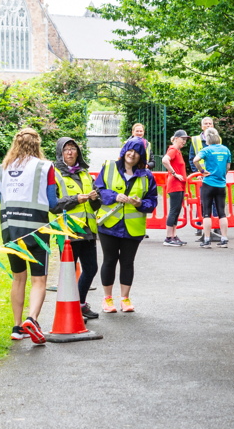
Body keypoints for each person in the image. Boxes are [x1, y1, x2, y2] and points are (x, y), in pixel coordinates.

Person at [0, 128, 56, 343]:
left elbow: (2, 199)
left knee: (18, 278)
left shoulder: (2, 168)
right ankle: (31, 319)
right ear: (37, 144)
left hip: (11, 232)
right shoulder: (45, 166)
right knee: (39, 279)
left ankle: (16, 326)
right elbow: (52, 203)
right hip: (37, 231)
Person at [94, 138, 158, 312]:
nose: (132, 154)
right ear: (124, 151)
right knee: (109, 260)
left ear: (141, 155)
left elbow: (152, 201)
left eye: (137, 152)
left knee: (128, 262)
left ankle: (125, 299)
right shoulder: (109, 167)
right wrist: (114, 196)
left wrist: (140, 204)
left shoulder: (147, 175)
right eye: (130, 150)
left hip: (133, 227)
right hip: (109, 224)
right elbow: (98, 190)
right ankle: (107, 299)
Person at [52, 136, 100, 319]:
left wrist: (95, 198)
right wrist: (75, 199)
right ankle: (68, 311)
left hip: (88, 229)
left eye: (73, 148)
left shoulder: (84, 173)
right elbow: (53, 205)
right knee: (68, 273)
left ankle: (80, 304)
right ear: (60, 153)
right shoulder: (54, 174)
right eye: (66, 149)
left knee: (91, 268)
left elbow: (96, 205)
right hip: (68, 231)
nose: (70, 152)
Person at [194, 127, 232, 248]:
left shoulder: (207, 150)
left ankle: (206, 240)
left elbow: (195, 160)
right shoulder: (225, 149)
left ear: (207, 139)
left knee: (206, 213)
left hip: (208, 183)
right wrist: (223, 175)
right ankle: (224, 239)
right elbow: (228, 166)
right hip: (221, 184)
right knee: (222, 213)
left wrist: (202, 171)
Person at [161, 130, 189, 246]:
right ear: (176, 138)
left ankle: (173, 235)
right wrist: (174, 173)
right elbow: (164, 160)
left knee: (176, 210)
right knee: (174, 210)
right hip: (175, 184)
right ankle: (168, 238)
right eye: (183, 139)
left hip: (179, 184)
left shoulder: (177, 151)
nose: (184, 141)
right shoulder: (173, 150)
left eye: (185, 139)